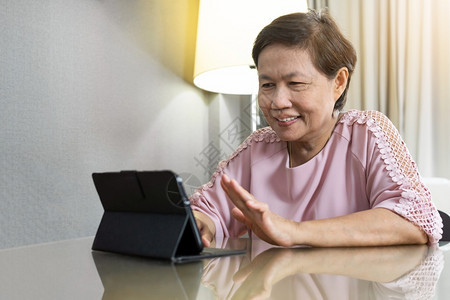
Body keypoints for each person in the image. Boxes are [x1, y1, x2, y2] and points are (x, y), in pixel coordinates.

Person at [190, 10, 443, 248]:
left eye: (296, 83)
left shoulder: (366, 134)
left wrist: (293, 231)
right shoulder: (258, 149)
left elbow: (415, 221)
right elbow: (209, 212)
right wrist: (201, 225)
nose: (278, 102)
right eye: (267, 85)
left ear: (339, 82)